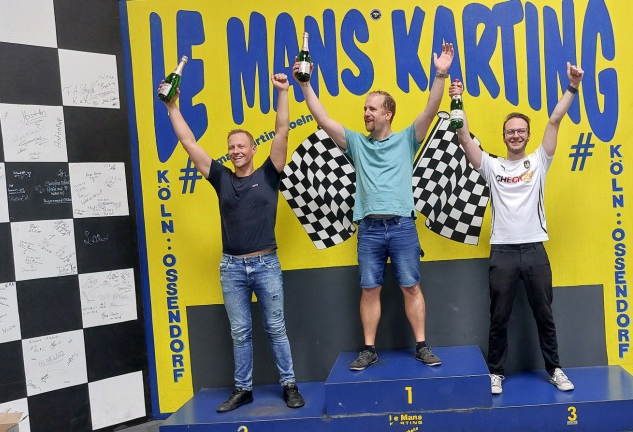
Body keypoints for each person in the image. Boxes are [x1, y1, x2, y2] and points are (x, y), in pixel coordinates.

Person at [292, 43, 455, 371]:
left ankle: (422, 346)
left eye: (372, 109)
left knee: (411, 286)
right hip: (368, 229)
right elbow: (322, 119)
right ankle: (369, 350)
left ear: (387, 114)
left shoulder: (407, 139)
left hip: (402, 226)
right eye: (365, 108)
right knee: (369, 289)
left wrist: (440, 74)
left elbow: (430, 109)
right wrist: (305, 85)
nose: (366, 113)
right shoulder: (355, 143)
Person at [159, 73, 305, 412]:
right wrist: (172, 108)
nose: (236, 151)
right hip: (231, 269)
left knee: (276, 329)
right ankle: (243, 389)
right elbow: (189, 143)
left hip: (266, 265)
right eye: (231, 147)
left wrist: (283, 92)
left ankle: (289, 385)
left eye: (241, 146)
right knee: (240, 332)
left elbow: (282, 131)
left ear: (253, 149)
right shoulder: (221, 178)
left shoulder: (269, 173)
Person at [448, 63, 585, 394]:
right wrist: (457, 99)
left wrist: (573, 86)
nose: (516, 135)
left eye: (521, 130)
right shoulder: (491, 166)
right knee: (498, 318)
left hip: (535, 250)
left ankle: (555, 369)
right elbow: (463, 136)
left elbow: (555, 120)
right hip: (503, 253)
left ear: (527, 134)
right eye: (510, 131)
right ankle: (496, 372)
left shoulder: (539, 161)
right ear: (504, 135)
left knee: (544, 316)